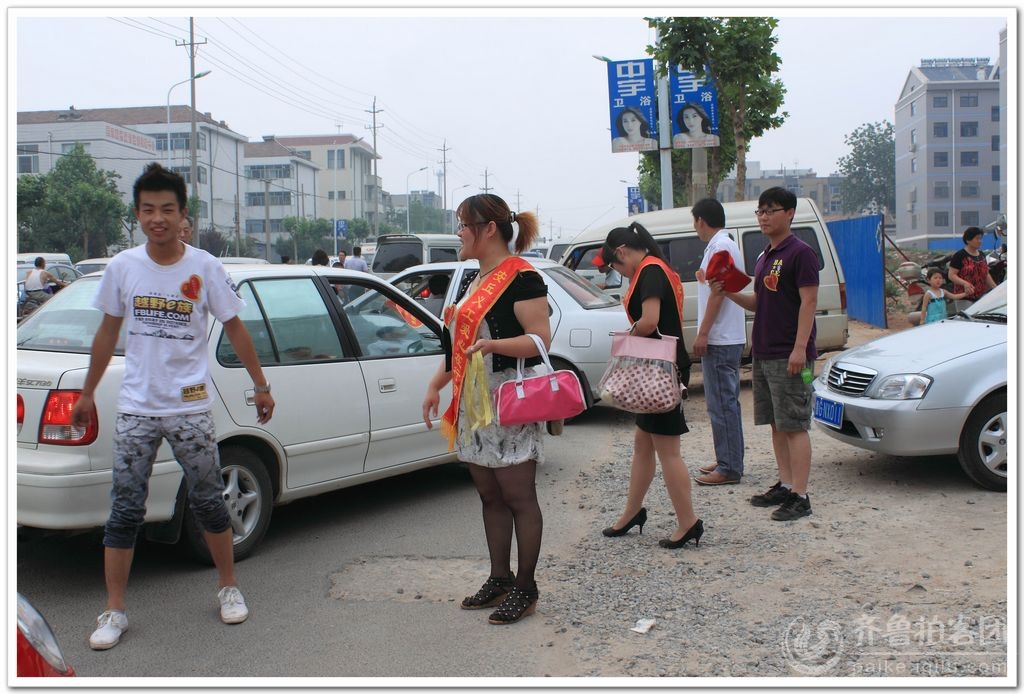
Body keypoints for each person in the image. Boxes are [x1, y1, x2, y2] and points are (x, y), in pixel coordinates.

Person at [70, 163, 275, 650]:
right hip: (138, 408)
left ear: (183, 214)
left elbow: (236, 327)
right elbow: (106, 334)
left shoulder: (204, 267)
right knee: (123, 509)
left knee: (208, 500)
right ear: (138, 214)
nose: (157, 218)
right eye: (147, 209)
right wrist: (85, 391)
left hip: (190, 407)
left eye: (167, 209)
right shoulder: (122, 267)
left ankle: (228, 588)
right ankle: (114, 610)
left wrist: (260, 384)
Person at [421, 193, 549, 625]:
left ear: (488, 228)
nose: (458, 234)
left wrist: (493, 345)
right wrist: (436, 386)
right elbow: (457, 346)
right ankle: (499, 577)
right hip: (473, 403)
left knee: (518, 497)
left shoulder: (522, 278)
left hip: (507, 398)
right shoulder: (473, 279)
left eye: (462, 225)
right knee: (489, 496)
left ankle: (526, 588)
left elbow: (539, 340)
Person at [711, 187, 817, 522]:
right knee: (776, 422)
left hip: (790, 353)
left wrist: (800, 348)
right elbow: (759, 300)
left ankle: (801, 495)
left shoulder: (801, 253)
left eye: (771, 210)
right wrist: (728, 292)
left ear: (789, 214)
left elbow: (809, 303)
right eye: (760, 211)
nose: (764, 217)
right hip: (764, 350)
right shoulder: (764, 256)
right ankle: (785, 484)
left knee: (795, 424)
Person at [597, 222, 702, 550]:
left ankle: (688, 522)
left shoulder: (649, 272)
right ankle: (632, 512)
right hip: (659, 370)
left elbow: (650, 320)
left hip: (659, 373)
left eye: (614, 266)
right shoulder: (654, 269)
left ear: (622, 252)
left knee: (668, 452)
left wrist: (627, 337)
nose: (617, 272)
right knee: (644, 446)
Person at [691, 198, 747, 486]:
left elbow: (719, 293)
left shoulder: (721, 246)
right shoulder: (720, 246)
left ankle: (729, 467)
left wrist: (703, 333)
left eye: (695, 221)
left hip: (721, 338)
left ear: (701, 220)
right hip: (724, 336)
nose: (695, 227)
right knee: (723, 403)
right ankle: (728, 457)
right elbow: (714, 285)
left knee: (722, 403)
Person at [948, 226, 996, 305]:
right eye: (977, 239)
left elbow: (986, 274)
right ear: (968, 240)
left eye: (981, 238)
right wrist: (964, 283)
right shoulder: (960, 255)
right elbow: (951, 275)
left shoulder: (982, 255)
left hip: (981, 297)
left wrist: (995, 288)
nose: (980, 241)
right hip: (964, 297)